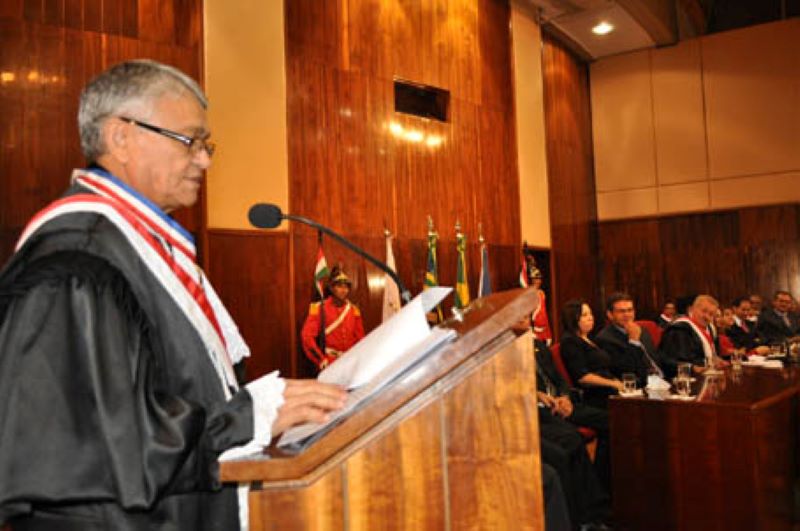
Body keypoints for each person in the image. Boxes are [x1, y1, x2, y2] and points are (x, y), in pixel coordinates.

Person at [0, 60, 347, 530]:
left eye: (207, 145)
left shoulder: (135, 246)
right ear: (121, 136)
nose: (204, 160)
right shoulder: (76, 263)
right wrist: (249, 417)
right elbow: (91, 445)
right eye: (190, 141)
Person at [559, 300, 624, 409]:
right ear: (572, 319)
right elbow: (582, 377)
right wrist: (613, 383)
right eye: (585, 315)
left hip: (608, 389)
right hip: (593, 395)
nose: (591, 318)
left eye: (590, 314)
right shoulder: (570, 342)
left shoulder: (589, 339)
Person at [301, 266, 365, 370]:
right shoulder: (319, 308)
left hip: (350, 362)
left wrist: (358, 360)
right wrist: (320, 359)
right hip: (329, 363)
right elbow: (307, 337)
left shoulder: (354, 310)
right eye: (339, 286)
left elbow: (360, 339)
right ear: (331, 288)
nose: (343, 290)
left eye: (346, 287)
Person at [595, 292, 664, 388]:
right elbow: (627, 371)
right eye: (621, 311)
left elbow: (654, 359)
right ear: (610, 315)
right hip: (640, 387)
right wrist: (633, 341)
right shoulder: (605, 339)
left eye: (630, 310)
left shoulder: (642, 330)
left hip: (662, 381)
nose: (627, 314)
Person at [659, 294, 726, 377]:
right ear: (692, 309)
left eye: (711, 314)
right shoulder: (680, 329)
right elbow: (671, 360)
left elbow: (712, 355)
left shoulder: (710, 329)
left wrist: (717, 360)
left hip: (707, 375)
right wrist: (693, 367)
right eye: (704, 311)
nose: (707, 317)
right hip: (685, 379)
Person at [529, 266, 553, 344]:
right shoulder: (528, 294)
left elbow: (544, 312)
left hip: (544, 325)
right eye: (535, 278)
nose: (538, 281)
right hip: (533, 326)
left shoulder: (542, 293)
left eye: (539, 279)